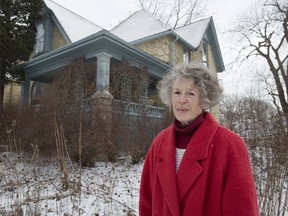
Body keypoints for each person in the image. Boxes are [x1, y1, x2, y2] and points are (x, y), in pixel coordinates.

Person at [139, 63, 259, 216]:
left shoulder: (230, 144)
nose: (182, 100)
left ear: (204, 100)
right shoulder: (159, 142)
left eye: (190, 93)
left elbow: (242, 210)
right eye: (177, 92)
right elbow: (146, 204)